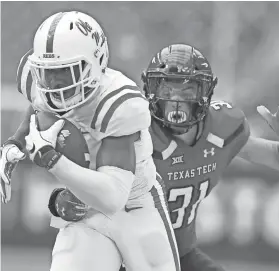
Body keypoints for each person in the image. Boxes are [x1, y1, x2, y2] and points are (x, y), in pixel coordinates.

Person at [49, 44, 279, 271]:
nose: (176, 100)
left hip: (179, 254)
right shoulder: (133, 131)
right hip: (122, 253)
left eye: (187, 90)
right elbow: (89, 183)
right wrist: (61, 199)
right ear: (151, 91)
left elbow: (278, 157)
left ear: (206, 92)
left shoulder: (224, 129)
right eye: (167, 89)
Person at [0, 12, 180, 271]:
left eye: (65, 73)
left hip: (136, 204)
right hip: (85, 208)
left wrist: (52, 160)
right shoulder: (38, 84)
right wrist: (14, 144)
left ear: (97, 62)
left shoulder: (119, 104)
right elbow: (40, 108)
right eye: (47, 73)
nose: (53, 85)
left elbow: (113, 197)